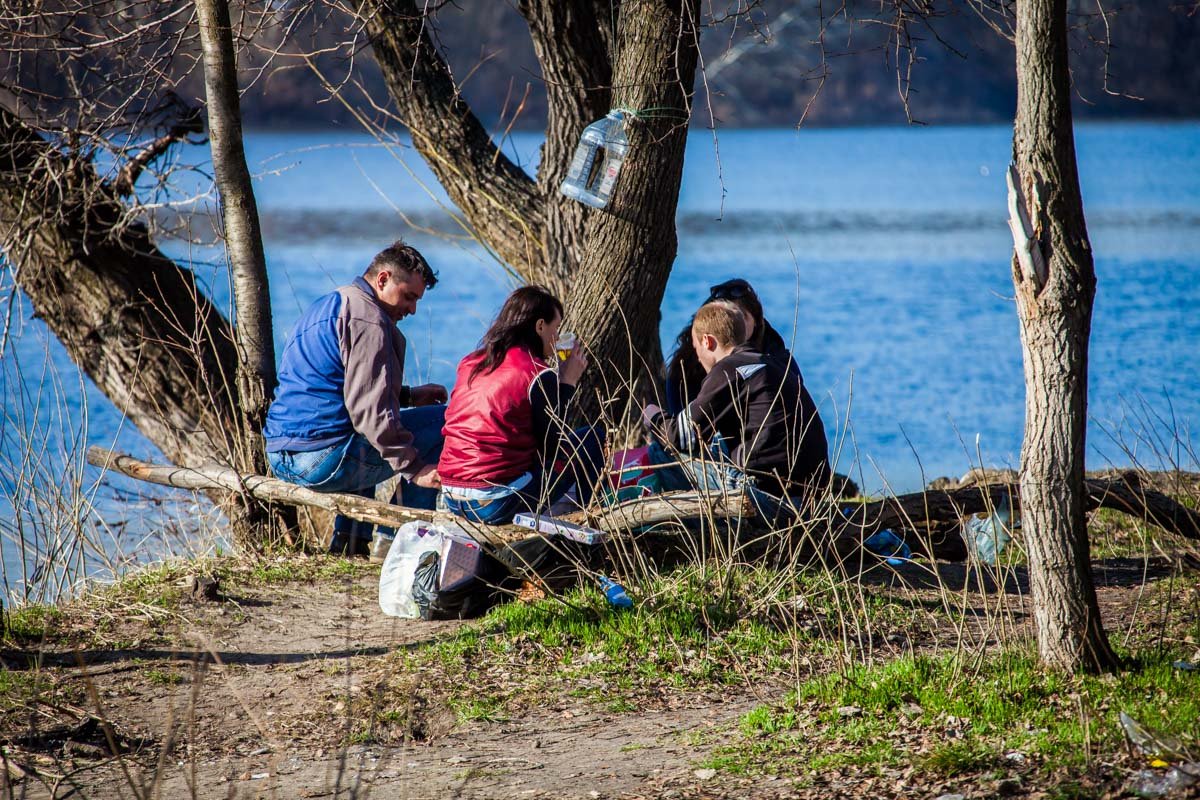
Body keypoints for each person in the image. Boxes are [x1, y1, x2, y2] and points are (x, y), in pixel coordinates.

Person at [264, 240, 447, 556]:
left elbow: (338, 391)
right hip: (321, 460)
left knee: (362, 432)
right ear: (383, 279)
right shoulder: (368, 320)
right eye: (409, 297)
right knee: (446, 422)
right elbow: (372, 415)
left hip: (282, 453)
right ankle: (397, 541)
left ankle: (350, 542)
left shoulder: (330, 303)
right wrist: (414, 467)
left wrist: (406, 396)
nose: (412, 309)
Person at [438, 286, 605, 526]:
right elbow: (552, 448)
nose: (556, 338)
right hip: (494, 503)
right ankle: (595, 525)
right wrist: (567, 383)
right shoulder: (536, 373)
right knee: (592, 439)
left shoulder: (471, 362)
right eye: (555, 329)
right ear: (539, 327)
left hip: (452, 497)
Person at [644, 302, 831, 509]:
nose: (697, 357)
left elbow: (679, 437)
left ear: (707, 341)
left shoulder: (729, 370)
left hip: (770, 502)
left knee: (660, 452)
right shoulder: (772, 364)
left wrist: (654, 416)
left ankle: (701, 527)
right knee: (716, 442)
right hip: (814, 501)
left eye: (696, 348)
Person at [665, 278, 802, 415]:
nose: (731, 323)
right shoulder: (686, 365)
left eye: (740, 315)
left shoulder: (779, 361)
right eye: (723, 317)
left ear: (756, 321)